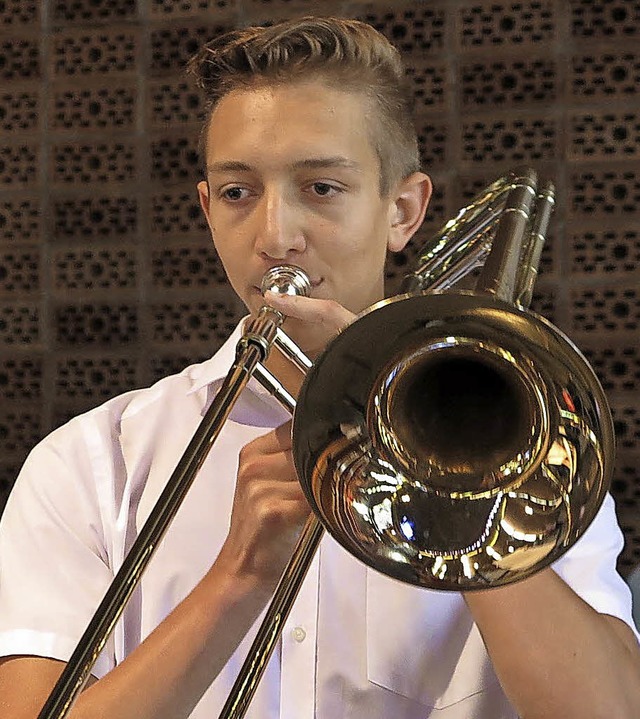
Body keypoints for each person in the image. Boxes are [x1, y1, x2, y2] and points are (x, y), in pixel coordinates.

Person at [0, 15, 639, 719]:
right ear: (208, 210)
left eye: (322, 188)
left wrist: (462, 482)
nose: (276, 237)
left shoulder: (521, 441)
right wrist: (237, 577)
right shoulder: (90, 463)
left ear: (403, 210)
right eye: (240, 193)